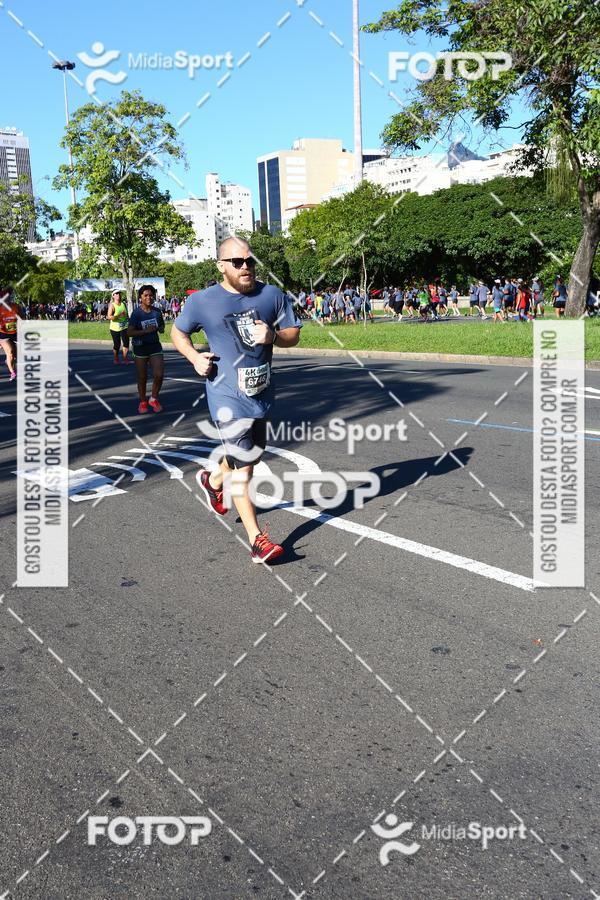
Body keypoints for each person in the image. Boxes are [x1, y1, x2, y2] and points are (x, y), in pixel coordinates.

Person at [171, 237, 302, 564]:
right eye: (237, 262)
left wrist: (272, 336)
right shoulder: (203, 301)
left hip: (261, 395)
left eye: (250, 261)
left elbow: (293, 334)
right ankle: (257, 540)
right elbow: (178, 332)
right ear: (221, 266)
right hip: (226, 396)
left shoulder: (272, 295)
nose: (246, 267)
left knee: (251, 456)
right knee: (245, 468)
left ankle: (212, 479)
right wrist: (194, 358)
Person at [127, 284, 165, 414]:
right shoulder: (136, 314)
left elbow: (162, 327)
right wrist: (145, 331)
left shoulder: (157, 311)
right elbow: (129, 332)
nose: (149, 297)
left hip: (155, 346)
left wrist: (159, 328)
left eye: (151, 295)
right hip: (140, 348)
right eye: (145, 295)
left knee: (159, 374)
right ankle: (143, 402)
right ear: (140, 298)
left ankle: (153, 398)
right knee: (142, 377)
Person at [0, 286, 23, 380]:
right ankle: (13, 373)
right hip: (3, 334)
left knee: (15, 356)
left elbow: (22, 319)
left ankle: (8, 361)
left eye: (8, 297)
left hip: (15, 333)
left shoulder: (16, 307)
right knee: (10, 352)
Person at [107, 290, 130, 364]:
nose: (118, 295)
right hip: (115, 328)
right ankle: (116, 357)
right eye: (116, 294)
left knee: (126, 343)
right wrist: (119, 316)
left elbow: (126, 315)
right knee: (117, 344)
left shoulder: (123, 304)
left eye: (119, 294)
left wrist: (128, 320)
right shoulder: (112, 305)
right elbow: (109, 317)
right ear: (113, 296)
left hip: (124, 327)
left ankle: (125, 358)